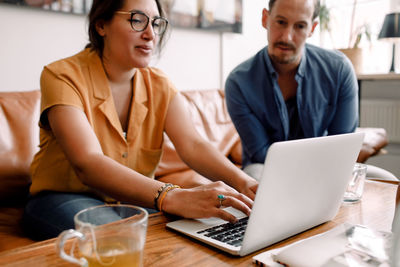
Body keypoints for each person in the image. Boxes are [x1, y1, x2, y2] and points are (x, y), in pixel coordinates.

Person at [22, 0, 258, 240]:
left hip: (134, 197)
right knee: (124, 238)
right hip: (63, 197)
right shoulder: (61, 76)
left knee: (194, 231)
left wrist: (244, 182)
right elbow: (88, 163)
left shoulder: (160, 85)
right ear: (101, 25)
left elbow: (193, 144)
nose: (150, 34)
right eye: (137, 20)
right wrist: (170, 196)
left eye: (156, 24)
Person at [225, 0, 358, 180]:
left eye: (300, 26)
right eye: (281, 22)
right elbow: (262, 153)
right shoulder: (238, 83)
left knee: (381, 177)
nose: (287, 37)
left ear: (312, 28)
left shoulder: (339, 71)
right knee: (255, 176)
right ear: (265, 18)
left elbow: (342, 146)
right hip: (267, 170)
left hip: (324, 168)